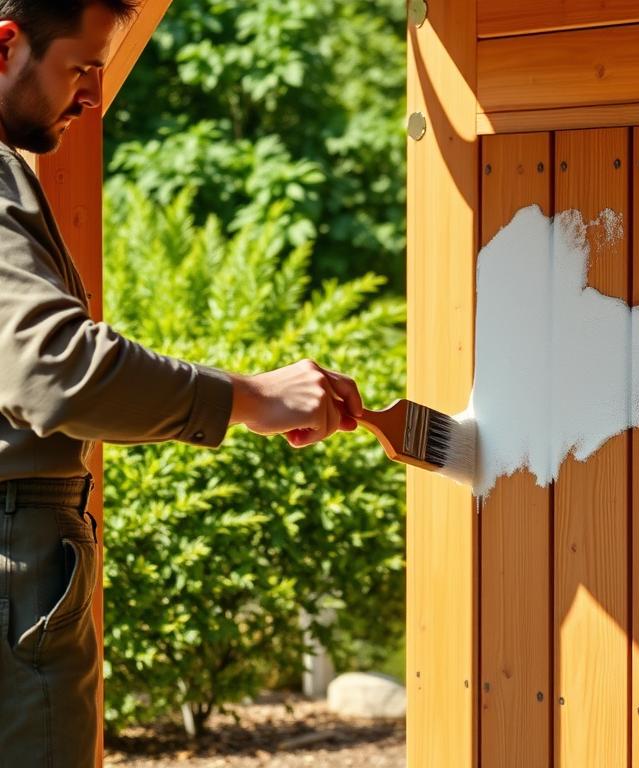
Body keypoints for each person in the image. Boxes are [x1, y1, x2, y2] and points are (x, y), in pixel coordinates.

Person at [0, 2, 364, 765]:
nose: (94, 96)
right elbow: (53, 368)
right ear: (7, 44)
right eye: (81, 67)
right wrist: (252, 397)